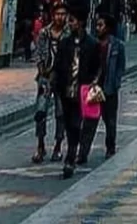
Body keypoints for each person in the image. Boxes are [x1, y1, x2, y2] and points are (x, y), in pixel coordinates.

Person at [53, 12, 99, 179]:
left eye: (71, 20)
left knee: (75, 125)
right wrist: (56, 85)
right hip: (66, 91)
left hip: (82, 92)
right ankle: (71, 152)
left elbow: (97, 67)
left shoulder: (92, 44)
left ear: (80, 22)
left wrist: (94, 83)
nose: (69, 23)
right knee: (67, 122)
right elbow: (58, 66)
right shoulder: (65, 43)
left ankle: (70, 158)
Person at [79, 13, 126, 163]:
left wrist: (116, 82)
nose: (98, 28)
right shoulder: (93, 44)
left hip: (110, 89)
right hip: (94, 88)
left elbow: (120, 67)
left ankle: (110, 147)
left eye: (101, 25)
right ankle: (83, 153)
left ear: (108, 27)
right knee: (89, 121)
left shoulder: (118, 45)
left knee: (110, 121)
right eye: (97, 25)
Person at [32, 1, 69, 164]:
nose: (60, 17)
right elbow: (38, 53)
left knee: (61, 113)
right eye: (57, 14)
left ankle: (58, 146)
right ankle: (40, 146)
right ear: (53, 15)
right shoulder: (44, 33)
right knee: (40, 112)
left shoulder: (69, 33)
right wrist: (42, 70)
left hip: (62, 79)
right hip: (45, 78)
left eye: (63, 14)